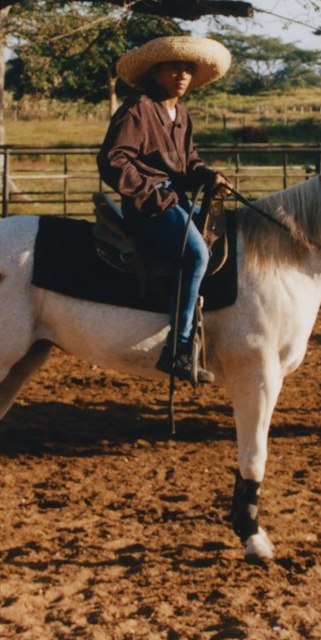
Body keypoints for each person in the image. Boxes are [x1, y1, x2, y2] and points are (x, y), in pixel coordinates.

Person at [97, 35, 233, 381]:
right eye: (174, 67)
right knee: (197, 256)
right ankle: (178, 348)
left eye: (188, 69)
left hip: (176, 200)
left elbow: (188, 163)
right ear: (155, 72)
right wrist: (150, 195)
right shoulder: (138, 109)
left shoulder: (181, 115)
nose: (182, 75)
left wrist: (209, 175)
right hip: (149, 204)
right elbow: (114, 161)